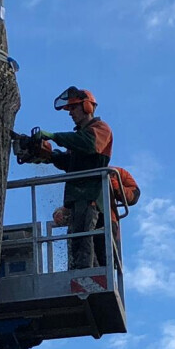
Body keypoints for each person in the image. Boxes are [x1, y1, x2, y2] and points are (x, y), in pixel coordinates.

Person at [34, 86, 113, 269]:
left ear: (87, 107)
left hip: (90, 195)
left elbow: (88, 144)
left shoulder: (100, 129)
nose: (71, 114)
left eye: (74, 108)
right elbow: (69, 162)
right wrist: (48, 155)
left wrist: (54, 136)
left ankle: (85, 275)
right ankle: (85, 273)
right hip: (77, 197)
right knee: (77, 239)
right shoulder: (78, 137)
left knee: (83, 238)